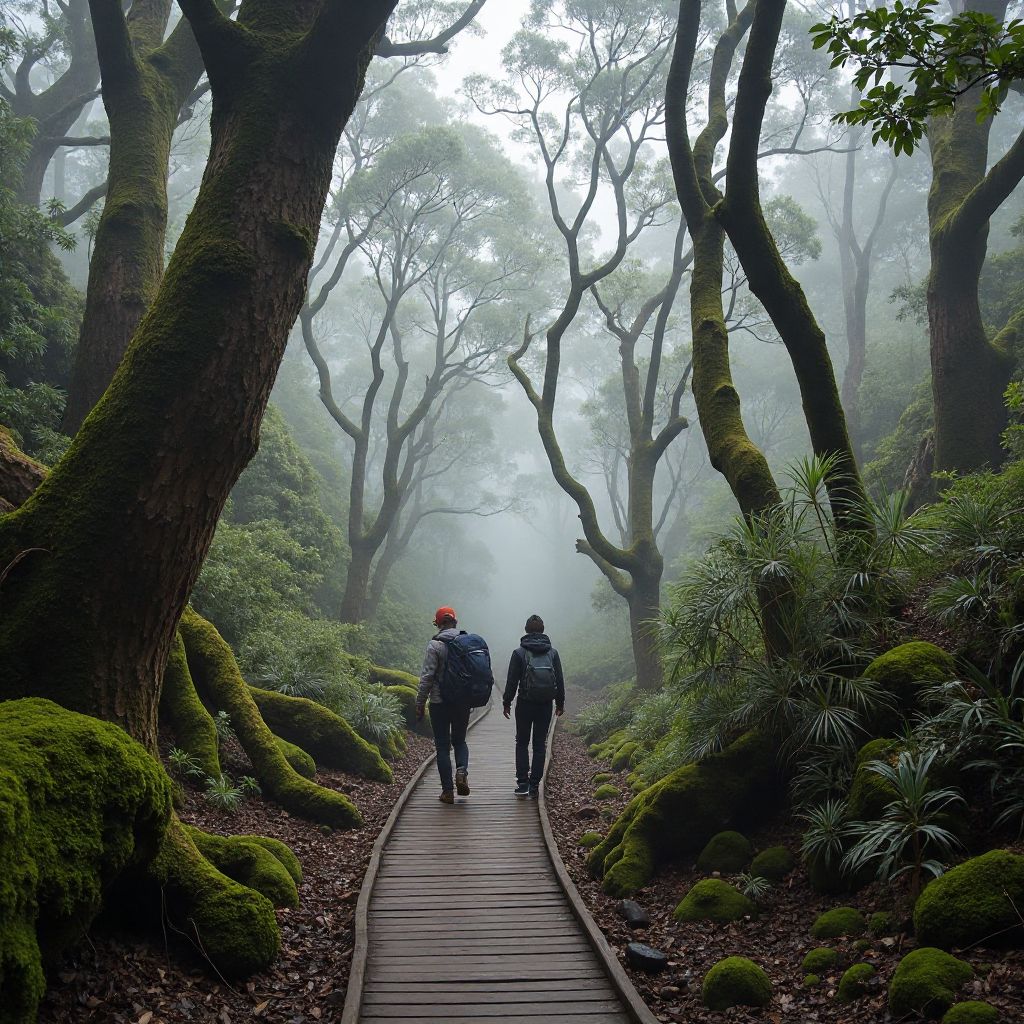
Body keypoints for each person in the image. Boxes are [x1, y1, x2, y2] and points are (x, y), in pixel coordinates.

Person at [502, 614, 565, 798]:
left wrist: (507, 702)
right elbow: (559, 681)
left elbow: (512, 681)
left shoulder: (519, 653)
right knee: (539, 745)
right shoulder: (552, 653)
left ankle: (522, 784)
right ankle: (535, 786)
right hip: (545, 705)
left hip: (524, 704)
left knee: (522, 742)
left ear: (526, 630)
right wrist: (560, 703)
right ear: (543, 630)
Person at [416, 606, 471, 804]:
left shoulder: (434, 645)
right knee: (460, 741)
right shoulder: (466, 642)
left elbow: (427, 676)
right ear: (455, 621)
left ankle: (447, 792)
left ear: (438, 624)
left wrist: (420, 702)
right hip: (462, 702)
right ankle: (462, 770)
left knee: (442, 746)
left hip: (439, 702)